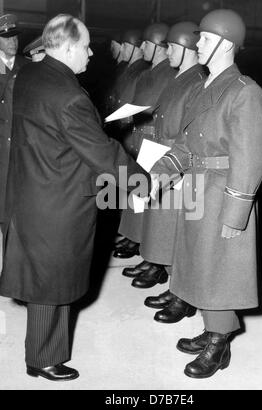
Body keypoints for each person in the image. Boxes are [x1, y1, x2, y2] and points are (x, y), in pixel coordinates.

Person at [0, 14, 150, 382]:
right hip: (60, 201)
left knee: (46, 282)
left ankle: (41, 353)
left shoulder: (33, 75)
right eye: (85, 46)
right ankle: (43, 359)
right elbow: (102, 153)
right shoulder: (69, 95)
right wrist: (140, 180)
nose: (91, 52)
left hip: (33, 191)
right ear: (67, 47)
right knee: (55, 281)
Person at [151, 9, 262, 378]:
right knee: (200, 263)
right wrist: (165, 169)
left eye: (204, 38)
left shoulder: (244, 92)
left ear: (225, 43)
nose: (197, 43)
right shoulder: (205, 86)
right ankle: (212, 329)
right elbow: (188, 143)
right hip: (198, 188)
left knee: (218, 268)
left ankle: (219, 345)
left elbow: (250, 157)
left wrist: (237, 213)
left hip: (222, 192)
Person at [123, 22, 205, 300]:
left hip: (175, 159)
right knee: (160, 221)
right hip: (161, 153)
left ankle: (179, 290)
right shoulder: (181, 77)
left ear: (185, 48)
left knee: (174, 227)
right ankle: (167, 276)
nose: (166, 51)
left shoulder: (195, 81)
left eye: (172, 46)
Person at [114, 23, 176, 264]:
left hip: (154, 140)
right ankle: (135, 236)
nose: (143, 48)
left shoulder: (169, 75)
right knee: (138, 193)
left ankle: (150, 251)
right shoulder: (148, 73)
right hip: (140, 136)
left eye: (147, 44)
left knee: (151, 197)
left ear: (159, 46)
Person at [0, 14, 27, 228]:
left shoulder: (27, 66)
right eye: (7, 37)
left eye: (15, 37)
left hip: (21, 145)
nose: (13, 42)